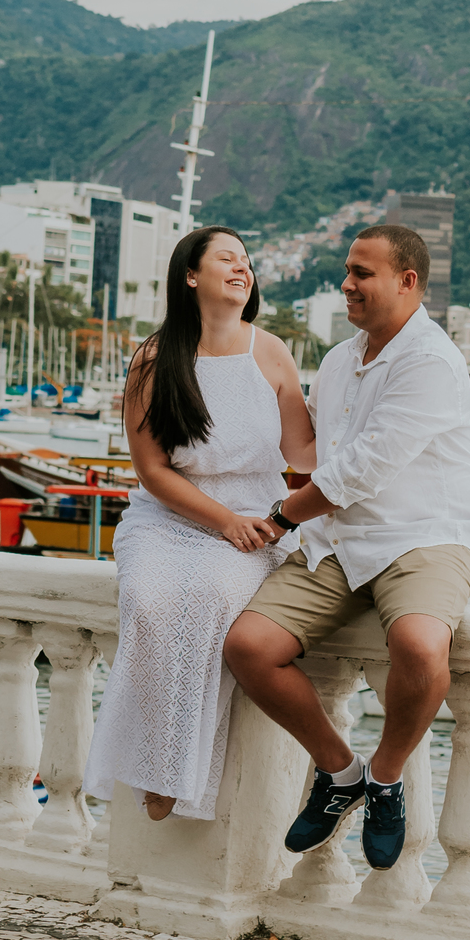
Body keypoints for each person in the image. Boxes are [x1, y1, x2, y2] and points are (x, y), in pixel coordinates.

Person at [223, 224, 470, 871]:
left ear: (407, 281)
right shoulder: (341, 359)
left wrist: (278, 518)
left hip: (423, 536)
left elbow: (359, 471)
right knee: (249, 647)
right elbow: (310, 449)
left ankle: (386, 779)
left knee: (420, 646)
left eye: (362, 273)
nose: (346, 284)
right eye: (347, 270)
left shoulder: (431, 361)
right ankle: (340, 773)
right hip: (338, 542)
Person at [83, 226, 316, 822]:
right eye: (227, 259)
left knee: (211, 595)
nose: (242, 269)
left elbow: (304, 452)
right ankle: (157, 764)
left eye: (247, 262)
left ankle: (171, 775)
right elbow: (152, 470)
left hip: (256, 524)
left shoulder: (271, 352)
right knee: (147, 599)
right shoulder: (154, 359)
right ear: (191, 276)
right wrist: (223, 521)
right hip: (167, 518)